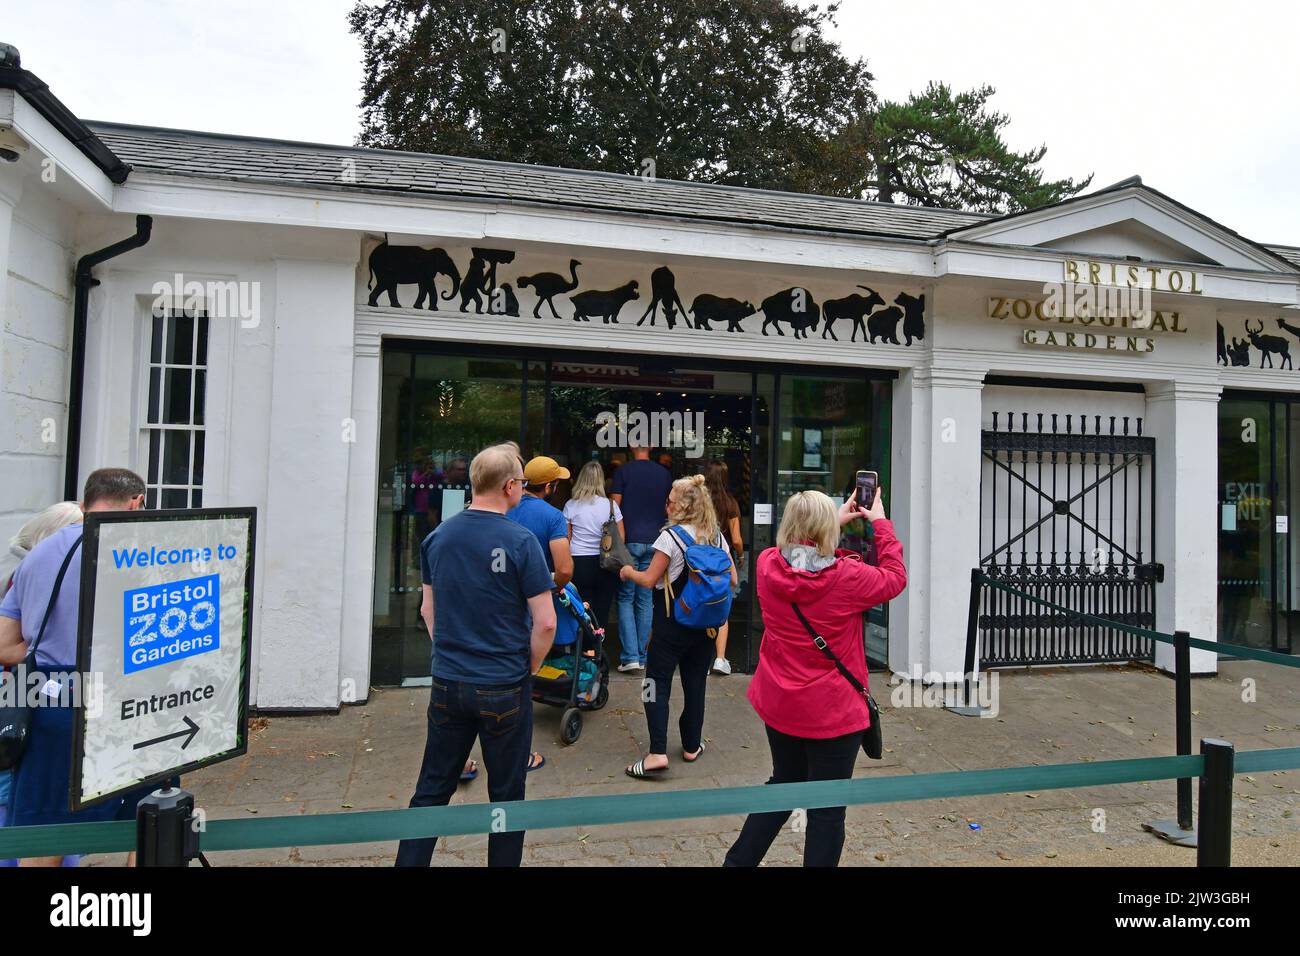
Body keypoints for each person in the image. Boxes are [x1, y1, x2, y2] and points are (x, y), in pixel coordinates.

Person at [724, 485, 906, 867]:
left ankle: (737, 863)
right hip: (833, 714)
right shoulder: (848, 578)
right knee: (826, 810)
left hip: (782, 705)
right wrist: (879, 522)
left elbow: (799, 549)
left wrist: (827, 522)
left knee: (782, 786)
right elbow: (894, 577)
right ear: (826, 531)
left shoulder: (768, 564)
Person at [396, 444, 557, 867]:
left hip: (449, 682)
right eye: (521, 482)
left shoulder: (437, 537)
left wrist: (450, 653)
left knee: (432, 788)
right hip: (504, 683)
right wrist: (530, 668)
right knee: (506, 795)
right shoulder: (522, 541)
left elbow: (428, 611)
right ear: (509, 486)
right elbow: (546, 623)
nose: (522, 488)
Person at [0, 469, 152, 867]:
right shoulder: (146, 551)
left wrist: (48, 647)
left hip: (50, 699)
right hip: (127, 700)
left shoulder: (36, 558)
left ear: (84, 503)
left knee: (42, 828)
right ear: (136, 503)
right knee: (152, 818)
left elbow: (5, 646)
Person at [619, 475, 736, 778]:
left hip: (671, 627)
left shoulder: (670, 538)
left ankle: (657, 752)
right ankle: (691, 746)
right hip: (706, 630)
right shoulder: (717, 538)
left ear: (682, 506)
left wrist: (628, 571)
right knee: (695, 685)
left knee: (653, 684)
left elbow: (648, 581)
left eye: (670, 501)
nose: (666, 505)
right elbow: (733, 580)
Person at [0, 501, 85, 868]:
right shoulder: (44, 573)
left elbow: (7, 646)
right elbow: (7, 648)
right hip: (36, 690)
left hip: (28, 688)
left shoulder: (26, 572)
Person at [506, 455, 574, 773]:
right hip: (532, 602)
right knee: (524, 674)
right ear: (549, 486)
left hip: (499, 601)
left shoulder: (503, 507)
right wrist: (549, 585)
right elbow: (564, 569)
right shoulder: (553, 516)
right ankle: (520, 753)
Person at [610, 443, 673, 672]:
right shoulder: (664, 474)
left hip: (629, 541)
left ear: (630, 445)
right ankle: (643, 656)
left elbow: (613, 508)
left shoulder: (623, 472)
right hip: (656, 541)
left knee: (626, 598)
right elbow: (670, 507)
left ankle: (630, 657)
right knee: (645, 600)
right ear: (653, 445)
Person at [562, 461, 623, 629]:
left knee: (580, 609)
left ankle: (582, 648)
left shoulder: (571, 505)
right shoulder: (611, 505)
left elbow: (566, 539)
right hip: (606, 562)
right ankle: (597, 648)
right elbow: (621, 537)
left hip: (579, 562)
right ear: (601, 481)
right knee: (602, 609)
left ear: (581, 479)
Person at [703, 460, 743, 675]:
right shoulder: (730, 504)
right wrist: (741, 555)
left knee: (701, 605)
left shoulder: (699, 502)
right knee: (721, 609)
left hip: (699, 561)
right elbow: (736, 539)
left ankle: (702, 658)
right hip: (722, 561)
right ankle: (719, 659)